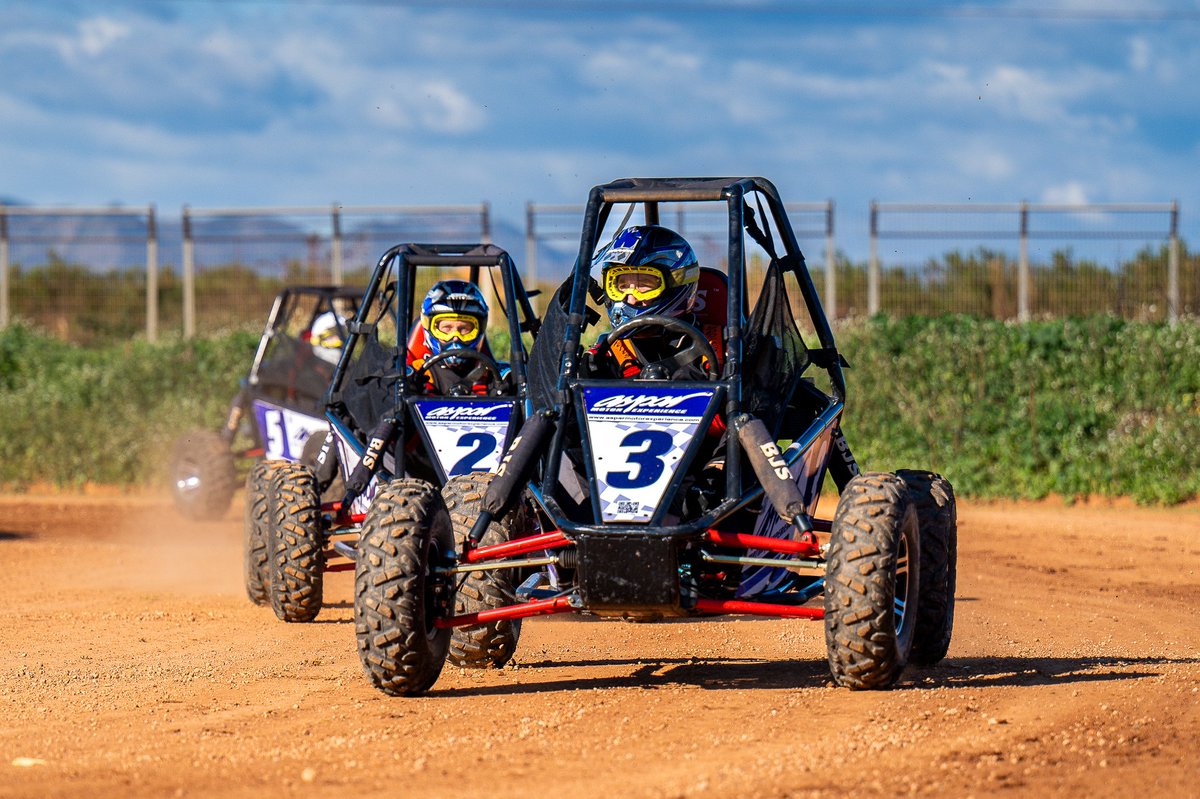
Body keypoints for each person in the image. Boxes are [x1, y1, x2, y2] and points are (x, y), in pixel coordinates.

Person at [585, 224, 724, 382]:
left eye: (643, 285)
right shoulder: (606, 356)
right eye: (622, 286)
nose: (631, 298)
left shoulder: (720, 349)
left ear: (675, 286)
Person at [405, 279, 510, 396]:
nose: (455, 337)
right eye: (446, 328)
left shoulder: (495, 377)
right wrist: (410, 395)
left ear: (480, 329)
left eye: (464, 329)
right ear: (429, 328)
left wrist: (504, 397)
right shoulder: (414, 374)